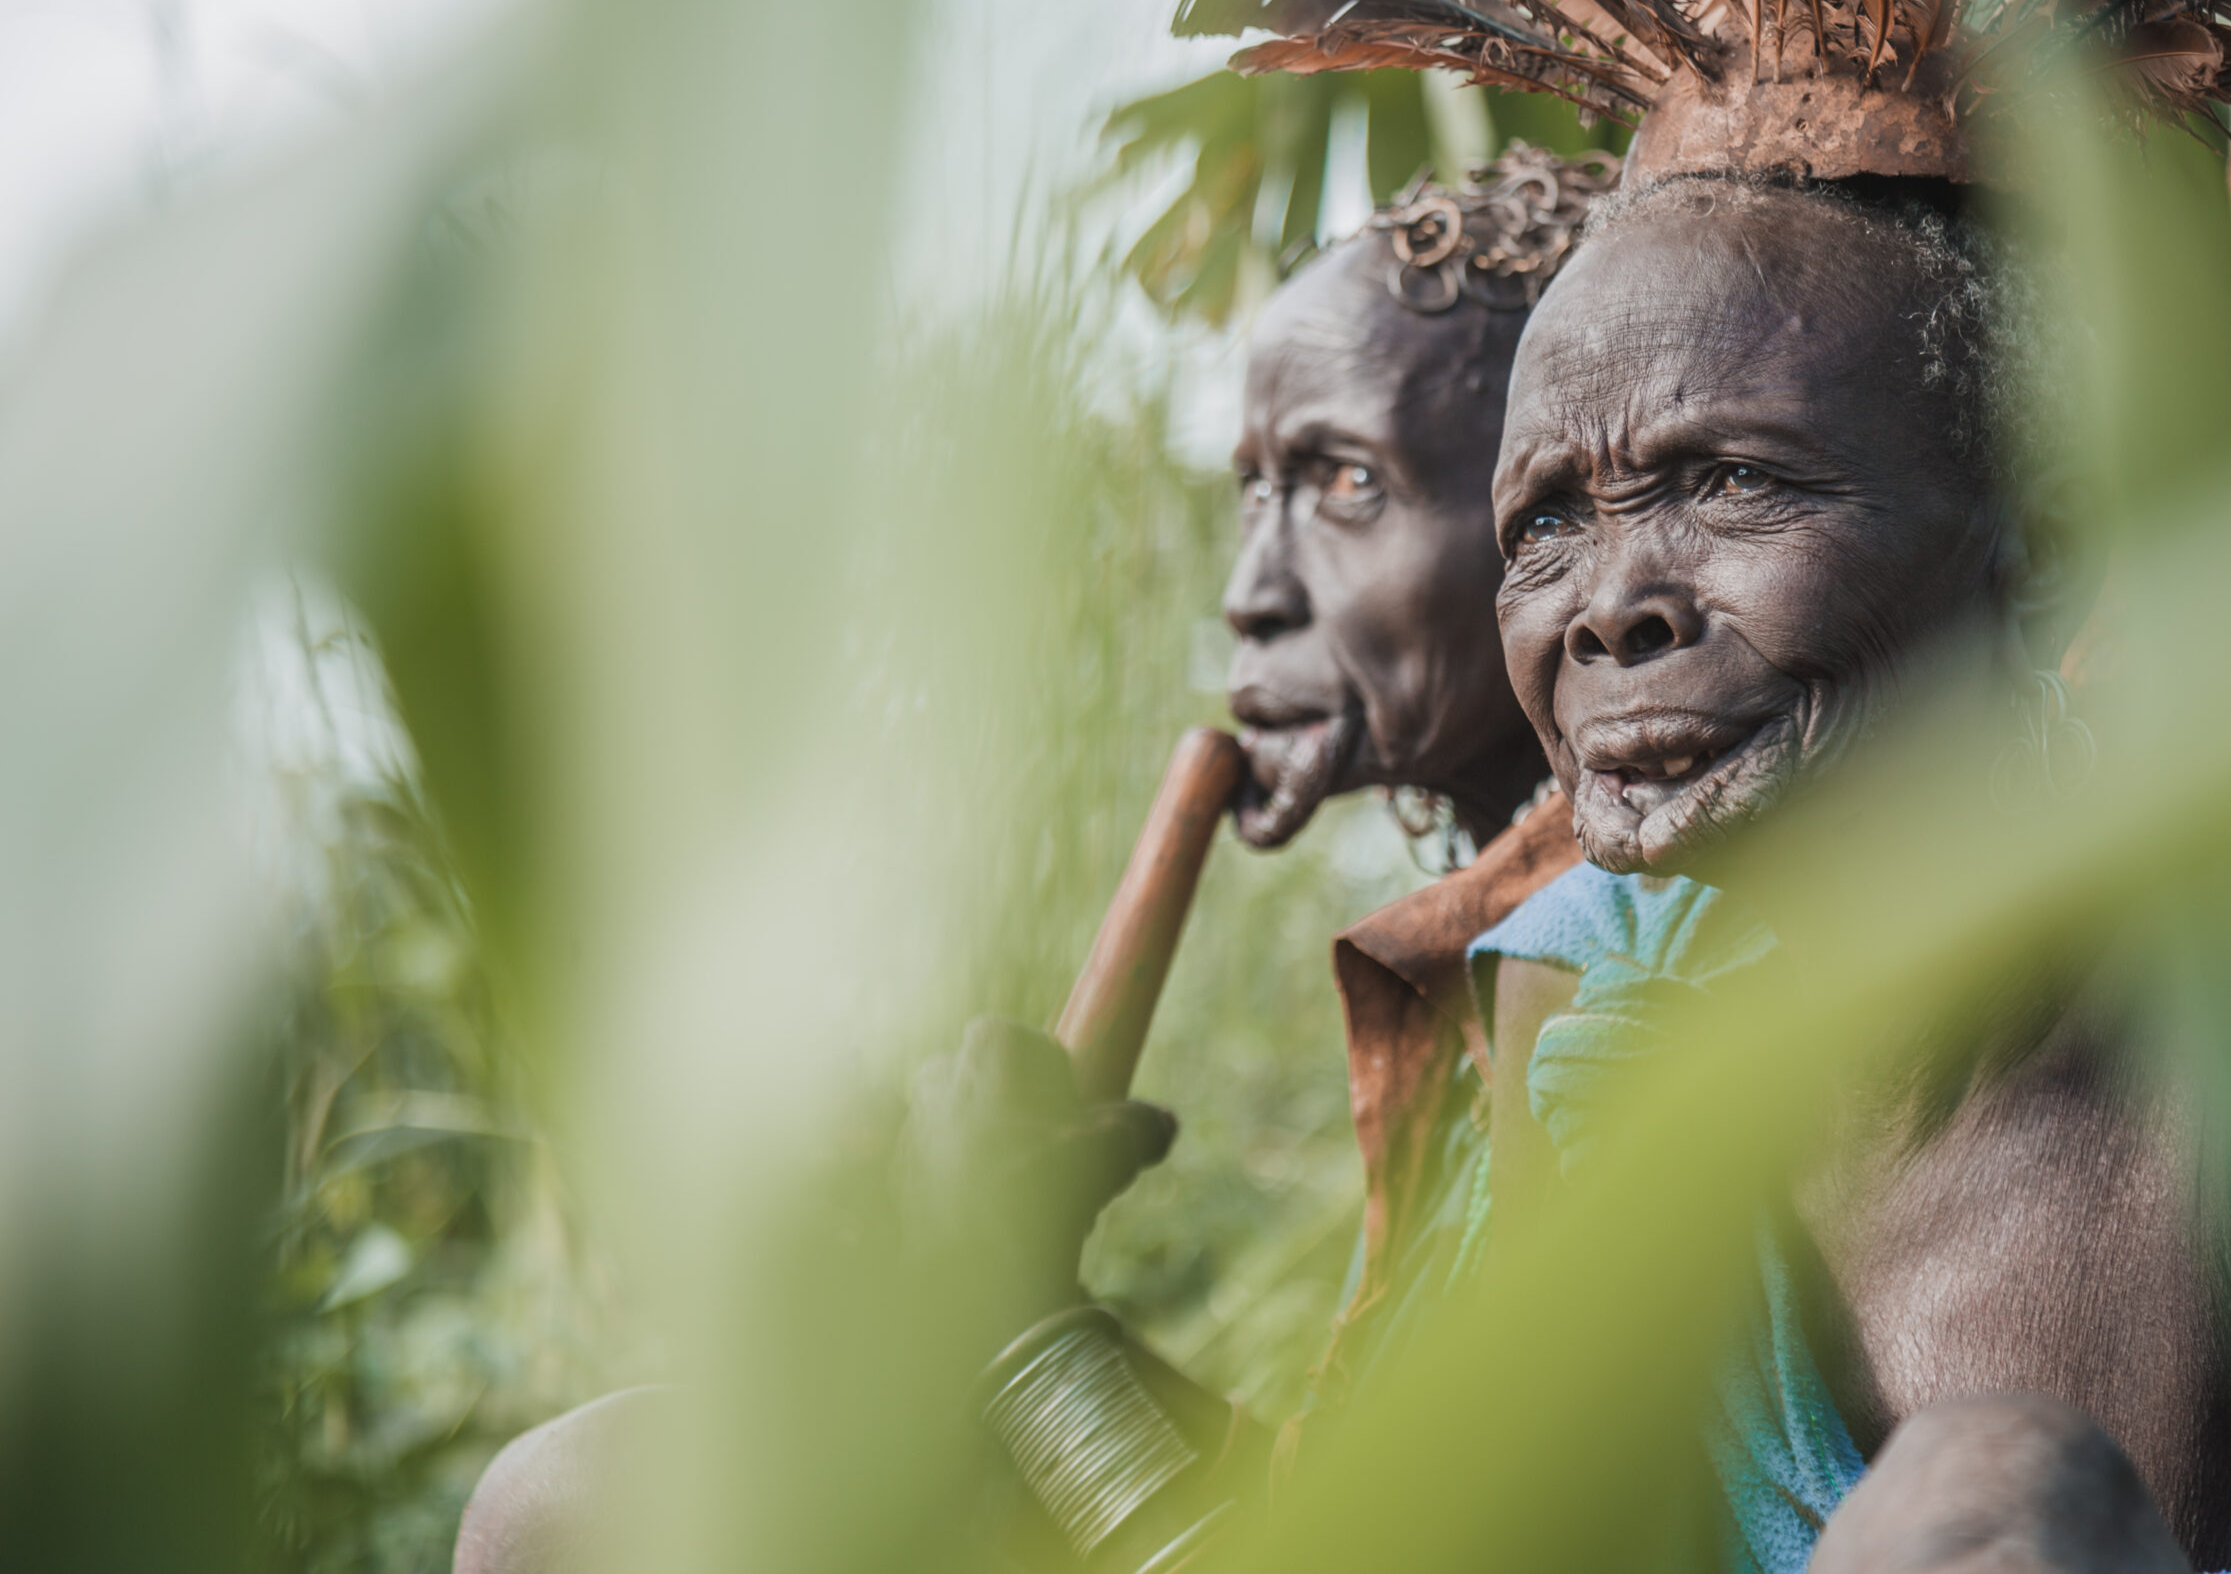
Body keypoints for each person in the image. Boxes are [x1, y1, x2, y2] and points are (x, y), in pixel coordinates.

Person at [961, 0, 2231, 1569]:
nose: (1609, 605)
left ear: (2048, 546)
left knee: (1990, 1496)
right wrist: (1012, 1342)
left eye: (1727, 479)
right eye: (1547, 522)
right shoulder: (1594, 1042)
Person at [451, 147, 1612, 1574]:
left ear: (1560, 511)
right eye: (1254, 490)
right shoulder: (1479, 951)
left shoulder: (1612, 953)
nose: (1249, 590)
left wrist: (1019, 1329)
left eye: (1346, 483)